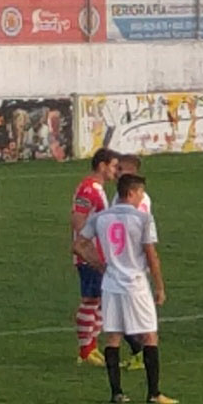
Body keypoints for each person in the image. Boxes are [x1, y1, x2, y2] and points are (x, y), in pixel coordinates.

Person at [82, 174, 172, 404]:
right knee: (150, 335)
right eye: (141, 193)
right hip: (135, 283)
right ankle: (154, 393)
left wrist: (99, 264)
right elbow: (152, 255)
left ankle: (117, 393)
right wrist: (160, 286)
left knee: (113, 337)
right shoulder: (143, 218)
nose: (142, 197)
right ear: (131, 193)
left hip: (111, 283)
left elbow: (78, 245)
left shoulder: (101, 217)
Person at [71, 148, 121, 363]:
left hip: (99, 252)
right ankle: (85, 350)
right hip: (89, 254)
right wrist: (84, 248)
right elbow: (78, 219)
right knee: (91, 300)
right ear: (102, 165)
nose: (115, 171)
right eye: (113, 166)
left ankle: (91, 346)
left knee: (100, 300)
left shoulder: (96, 189)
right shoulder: (88, 190)